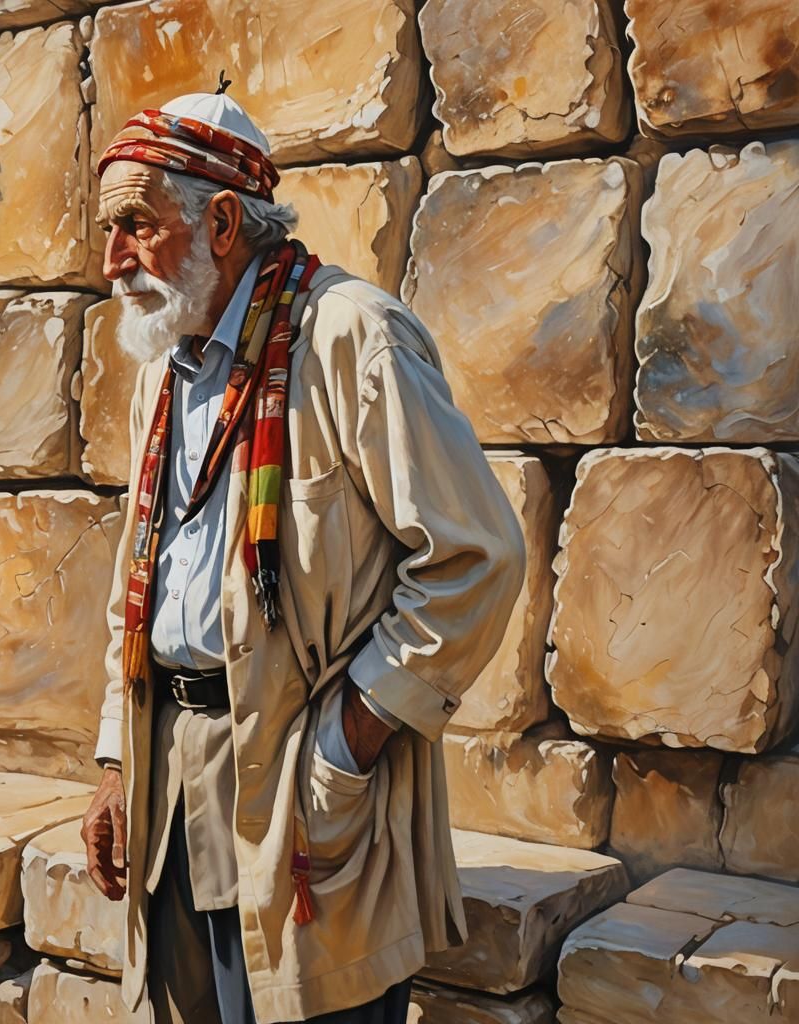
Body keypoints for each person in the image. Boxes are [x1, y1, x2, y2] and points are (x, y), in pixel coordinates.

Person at [80, 81, 527, 1024]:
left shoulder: (352, 337)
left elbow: (475, 558)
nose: (112, 259)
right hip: (172, 793)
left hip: (308, 801)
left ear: (224, 223)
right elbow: (140, 581)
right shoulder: (164, 369)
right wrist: (120, 764)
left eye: (135, 226)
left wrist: (345, 749)